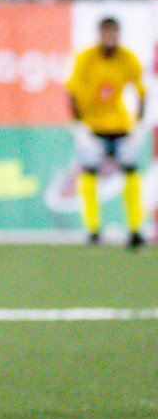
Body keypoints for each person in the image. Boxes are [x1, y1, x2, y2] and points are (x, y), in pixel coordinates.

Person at [68, 16, 147, 248]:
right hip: (92, 127)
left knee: (131, 174)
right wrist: (79, 126)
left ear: (118, 34)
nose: (110, 38)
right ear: (100, 34)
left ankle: (135, 230)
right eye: (106, 33)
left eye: (114, 33)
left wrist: (139, 125)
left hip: (121, 126)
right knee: (89, 175)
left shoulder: (128, 58)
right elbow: (72, 92)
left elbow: (142, 92)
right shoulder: (86, 58)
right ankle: (93, 231)